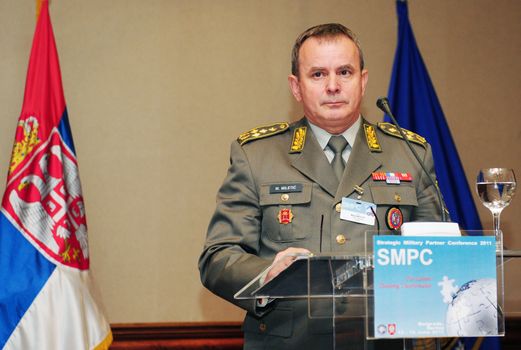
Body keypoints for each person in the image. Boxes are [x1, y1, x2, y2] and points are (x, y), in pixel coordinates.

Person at [199, 23, 443, 349]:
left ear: (363, 81)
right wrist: (267, 274)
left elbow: (439, 254)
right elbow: (217, 257)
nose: (333, 86)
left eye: (344, 72)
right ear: (296, 87)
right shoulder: (256, 156)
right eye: (317, 74)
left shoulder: (409, 152)